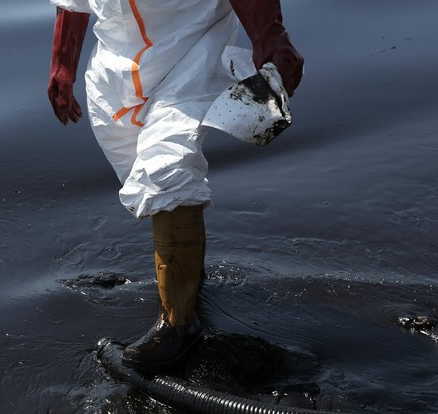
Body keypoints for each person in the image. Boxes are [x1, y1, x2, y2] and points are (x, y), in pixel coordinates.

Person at [47, 0, 304, 372]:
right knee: (144, 178)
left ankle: (178, 323)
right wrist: (62, 64)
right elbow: (72, 3)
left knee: (166, 169)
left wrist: (271, 36)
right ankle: (189, 277)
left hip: (193, 52)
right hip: (117, 70)